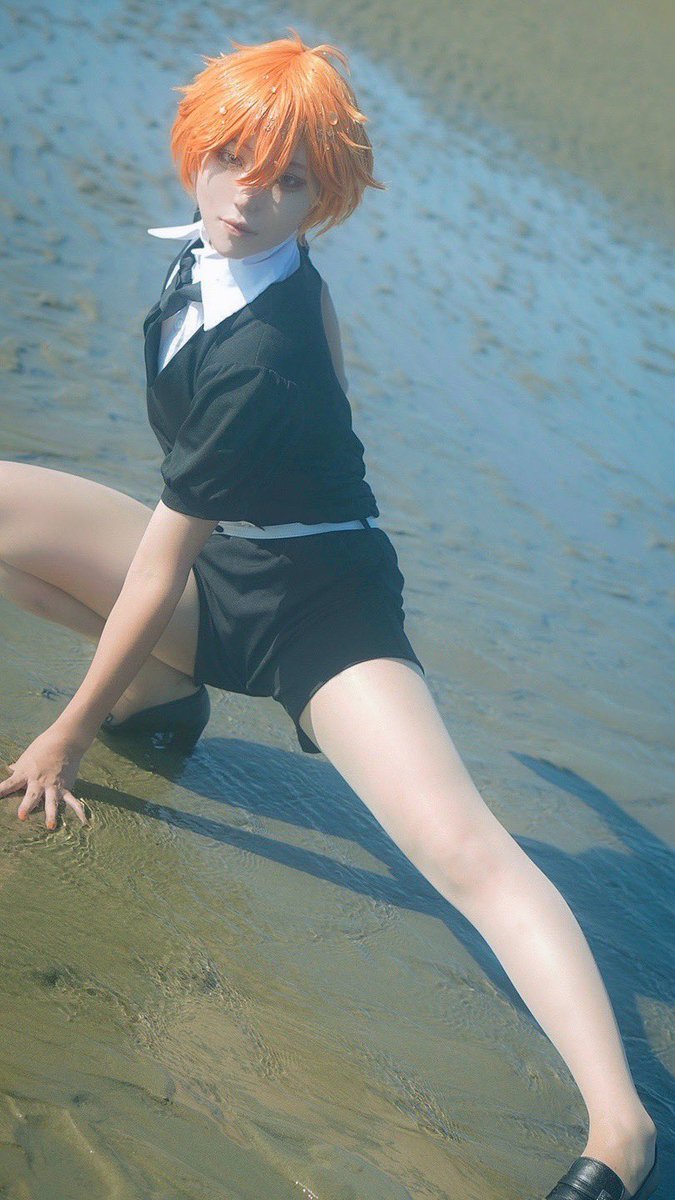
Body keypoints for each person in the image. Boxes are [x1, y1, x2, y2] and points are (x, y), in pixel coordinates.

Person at [0, 30, 660, 1200]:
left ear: (327, 198)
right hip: (224, 565)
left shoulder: (266, 350)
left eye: (290, 179)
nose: (247, 195)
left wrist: (66, 735)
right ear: (195, 147)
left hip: (318, 610)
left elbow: (157, 566)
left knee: (461, 851)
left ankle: (623, 1129)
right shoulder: (214, 250)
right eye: (231, 157)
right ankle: (166, 693)